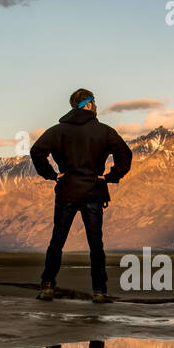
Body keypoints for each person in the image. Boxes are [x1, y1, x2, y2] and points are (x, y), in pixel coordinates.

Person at [29, 88, 133, 303]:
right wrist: (112, 176)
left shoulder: (58, 131)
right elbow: (125, 154)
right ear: (88, 104)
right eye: (94, 102)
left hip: (67, 190)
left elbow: (36, 151)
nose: (96, 105)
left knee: (57, 240)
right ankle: (99, 291)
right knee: (96, 244)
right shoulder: (104, 131)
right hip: (94, 191)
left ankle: (47, 286)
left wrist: (52, 175)